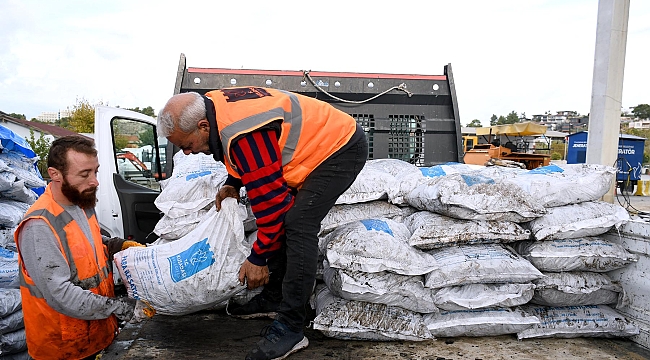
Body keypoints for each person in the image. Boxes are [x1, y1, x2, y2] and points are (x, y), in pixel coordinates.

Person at [158, 87, 368, 360]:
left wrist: (258, 259)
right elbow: (236, 151)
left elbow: (274, 209)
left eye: (187, 145)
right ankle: (274, 297)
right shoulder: (211, 107)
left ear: (202, 126)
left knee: (298, 224)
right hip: (316, 146)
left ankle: (293, 326)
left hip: (340, 148)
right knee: (286, 221)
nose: (187, 153)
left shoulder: (244, 133)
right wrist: (233, 183)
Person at [14, 135, 155, 360]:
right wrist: (121, 307)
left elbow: (84, 245)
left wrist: (115, 245)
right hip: (63, 348)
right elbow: (60, 295)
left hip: (95, 335)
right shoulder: (39, 225)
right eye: (84, 174)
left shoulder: (81, 202)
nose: (95, 181)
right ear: (55, 175)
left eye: (95, 171)